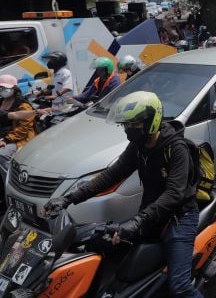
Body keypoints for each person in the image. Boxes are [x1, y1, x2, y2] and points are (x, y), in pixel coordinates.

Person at [43, 91, 202, 297]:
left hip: (180, 218)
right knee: (95, 242)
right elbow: (111, 175)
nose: (129, 129)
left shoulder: (176, 149)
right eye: (126, 124)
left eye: (134, 124)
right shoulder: (138, 146)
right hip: (150, 214)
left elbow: (174, 194)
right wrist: (68, 199)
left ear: (151, 120)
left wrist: (137, 222)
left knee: (180, 286)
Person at [0, 75, 36, 173]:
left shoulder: (23, 105)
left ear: (14, 88)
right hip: (3, 136)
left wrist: (6, 140)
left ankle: (12, 180)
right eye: (1, 88)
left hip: (18, 138)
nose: (2, 90)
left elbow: (23, 129)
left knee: (2, 155)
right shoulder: (1, 102)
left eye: (5, 88)